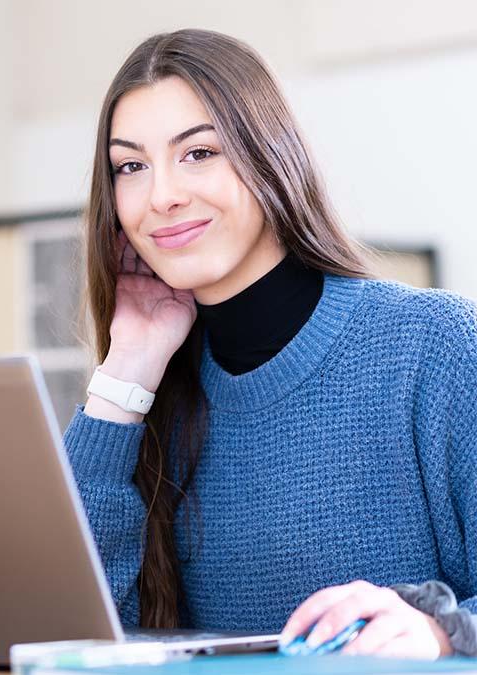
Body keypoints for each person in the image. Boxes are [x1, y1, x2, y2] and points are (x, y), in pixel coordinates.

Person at [66, 28, 477, 659]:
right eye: (131, 166)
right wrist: (127, 370)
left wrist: (441, 632)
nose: (163, 195)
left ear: (270, 156)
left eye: (198, 153)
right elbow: (68, 625)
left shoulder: (436, 348)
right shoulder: (153, 393)